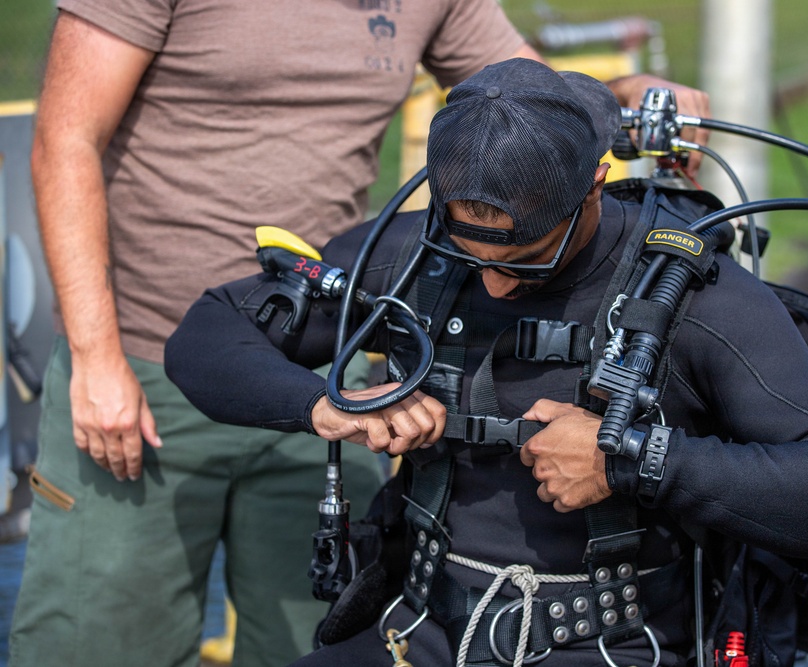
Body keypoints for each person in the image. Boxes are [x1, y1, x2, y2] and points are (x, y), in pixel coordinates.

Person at [11, 2, 711, 666]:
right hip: (142, 367)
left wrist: (629, 92)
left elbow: (531, 102)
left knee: (310, 635)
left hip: (325, 371)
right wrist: (96, 357)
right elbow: (66, 135)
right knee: (101, 637)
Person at [163, 58, 808, 667]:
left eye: (525, 259)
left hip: (612, 642)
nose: (492, 282)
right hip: (416, 627)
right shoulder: (409, 252)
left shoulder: (697, 296)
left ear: (593, 191)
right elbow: (209, 330)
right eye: (467, 251)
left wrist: (632, 459)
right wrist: (333, 405)